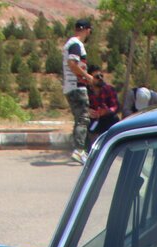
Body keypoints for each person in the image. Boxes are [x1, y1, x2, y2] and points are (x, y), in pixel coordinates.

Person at [62, 19, 95, 165]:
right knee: (83, 118)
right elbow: (72, 63)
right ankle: (79, 150)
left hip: (70, 87)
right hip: (77, 87)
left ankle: (80, 149)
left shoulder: (69, 43)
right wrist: (86, 76)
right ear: (87, 30)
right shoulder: (76, 44)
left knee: (78, 120)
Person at [86, 65, 120, 143]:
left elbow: (115, 106)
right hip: (92, 120)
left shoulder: (109, 89)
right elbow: (80, 107)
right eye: (97, 77)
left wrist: (107, 111)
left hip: (107, 119)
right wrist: (88, 111)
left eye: (101, 76)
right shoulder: (85, 91)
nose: (100, 78)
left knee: (114, 118)